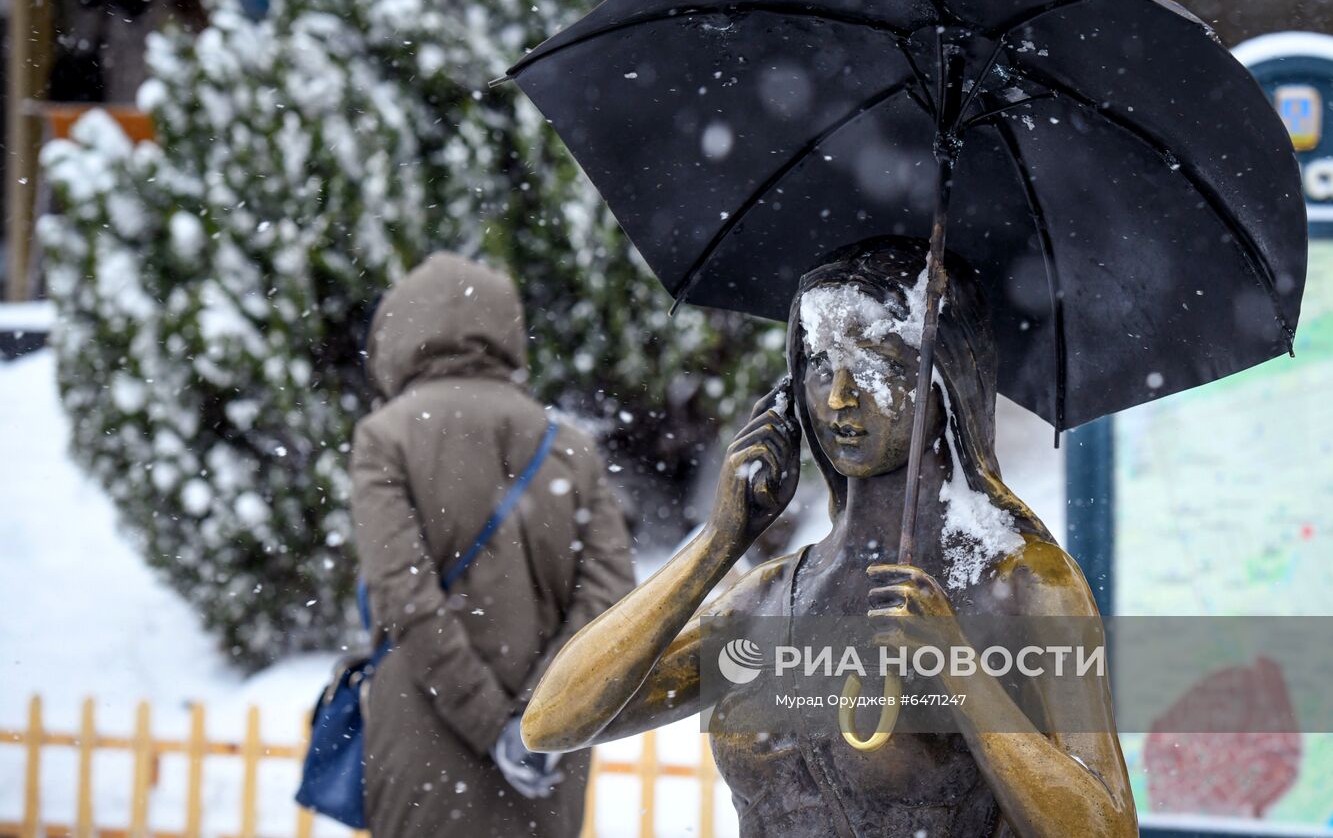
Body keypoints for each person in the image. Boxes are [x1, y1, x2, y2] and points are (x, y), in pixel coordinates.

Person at [522, 237, 1136, 837]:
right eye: (820, 363)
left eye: (872, 363)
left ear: (943, 381)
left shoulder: (1021, 584)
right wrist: (717, 544)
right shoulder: (774, 600)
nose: (840, 396)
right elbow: (553, 721)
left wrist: (958, 669)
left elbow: (1105, 827)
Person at [352, 253, 634, 837]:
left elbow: (405, 597)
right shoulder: (569, 445)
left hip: (424, 745)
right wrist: (535, 723)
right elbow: (609, 602)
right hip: (547, 760)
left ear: (400, 332)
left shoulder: (386, 437)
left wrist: (488, 724)